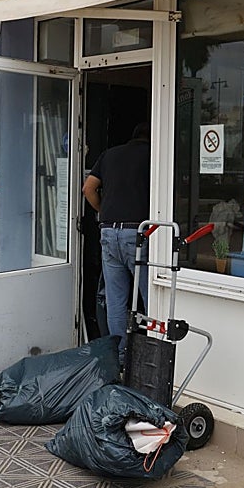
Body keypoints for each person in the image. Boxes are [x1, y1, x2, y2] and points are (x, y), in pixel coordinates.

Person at [82, 122, 150, 363]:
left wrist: (104, 212)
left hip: (109, 232)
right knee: (150, 296)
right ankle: (151, 359)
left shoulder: (110, 155)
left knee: (116, 300)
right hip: (138, 233)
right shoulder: (153, 155)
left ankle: (119, 358)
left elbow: (88, 188)